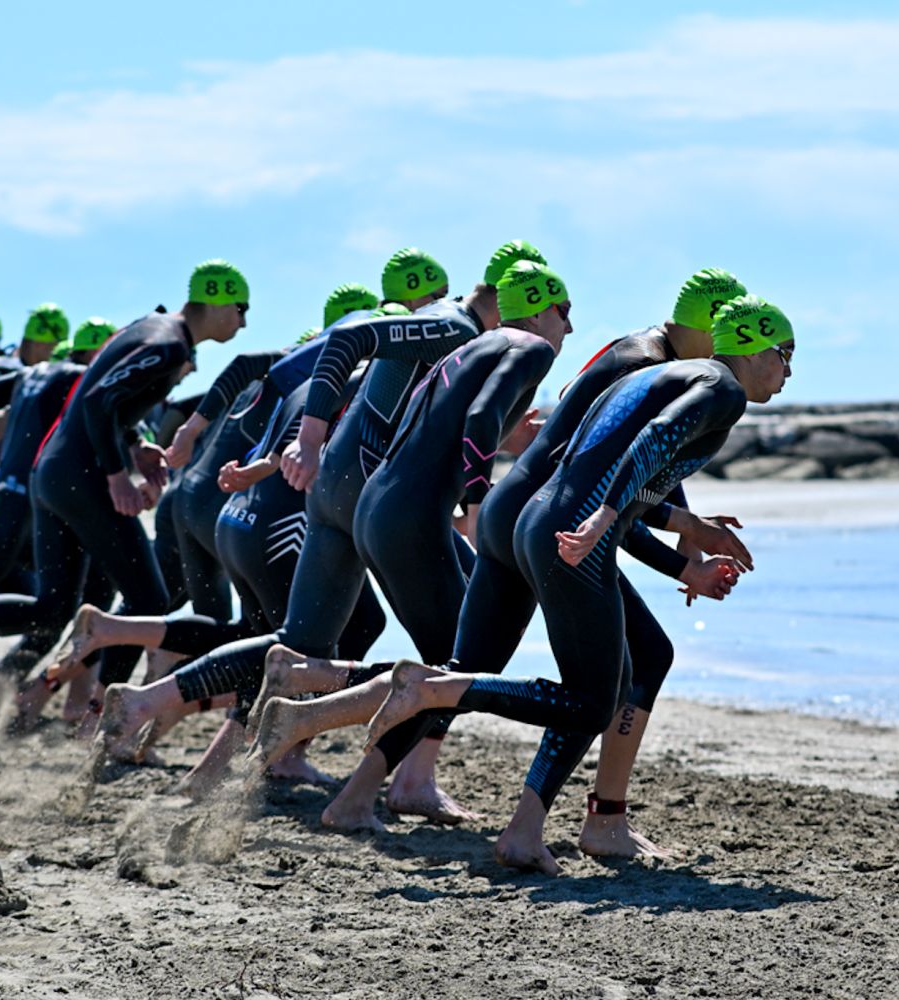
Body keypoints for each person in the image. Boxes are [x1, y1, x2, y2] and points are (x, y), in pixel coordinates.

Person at [360, 294, 794, 872]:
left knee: (595, 680)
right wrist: (606, 518)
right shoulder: (720, 388)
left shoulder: (650, 364)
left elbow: (617, 464)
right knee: (591, 697)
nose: (789, 371)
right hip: (563, 525)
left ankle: (511, 817)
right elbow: (652, 440)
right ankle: (431, 695)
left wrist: (684, 535)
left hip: (537, 513)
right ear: (754, 346)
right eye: (785, 354)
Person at [97, 244, 515, 801]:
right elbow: (345, 377)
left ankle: (161, 713)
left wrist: (264, 456)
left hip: (302, 499)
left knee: (298, 646)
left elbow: (287, 379)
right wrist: (295, 444)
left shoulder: (393, 332)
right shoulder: (438, 327)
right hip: (338, 501)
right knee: (450, 647)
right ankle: (393, 777)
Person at [0, 260, 250, 694]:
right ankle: (102, 710)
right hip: (81, 475)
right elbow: (97, 401)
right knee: (148, 600)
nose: (243, 323)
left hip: (52, 471)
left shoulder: (150, 326)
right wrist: (116, 474)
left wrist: (136, 443)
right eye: (241, 309)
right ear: (218, 302)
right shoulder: (168, 344)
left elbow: (101, 396)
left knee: (52, 608)